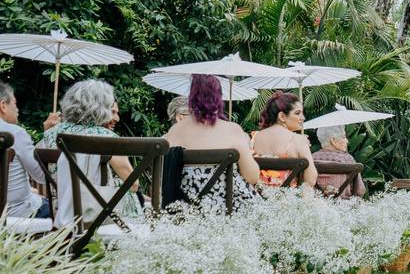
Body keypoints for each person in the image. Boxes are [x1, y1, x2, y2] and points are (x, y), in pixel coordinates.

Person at [51, 80, 142, 229]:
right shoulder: (104, 137)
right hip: (91, 217)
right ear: (101, 107)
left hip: (55, 212)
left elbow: (40, 178)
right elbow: (133, 184)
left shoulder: (50, 134)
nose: (116, 118)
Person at [164, 74, 260, 213]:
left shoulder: (174, 131)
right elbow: (252, 177)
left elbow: (164, 175)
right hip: (230, 209)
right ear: (219, 98)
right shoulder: (232, 130)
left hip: (185, 208)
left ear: (191, 97)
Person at [0, 82, 51, 218]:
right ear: (3, 106)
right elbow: (42, 176)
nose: (18, 110)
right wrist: (49, 134)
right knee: (63, 210)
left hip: (14, 206)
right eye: (15, 104)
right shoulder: (14, 134)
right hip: (17, 215)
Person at [250, 91, 317, 188]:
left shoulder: (255, 137)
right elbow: (311, 179)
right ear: (282, 116)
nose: (303, 118)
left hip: (255, 198)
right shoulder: (297, 140)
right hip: (286, 200)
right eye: (297, 113)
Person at [312, 125, 366, 199]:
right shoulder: (348, 159)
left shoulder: (311, 158)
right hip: (343, 205)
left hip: (316, 204)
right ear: (333, 141)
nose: (347, 141)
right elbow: (359, 191)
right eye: (343, 137)